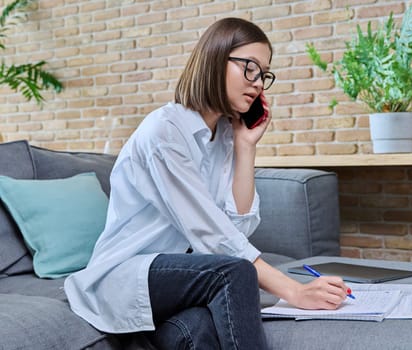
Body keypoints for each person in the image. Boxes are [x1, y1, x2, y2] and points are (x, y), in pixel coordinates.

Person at [64, 17, 349, 350]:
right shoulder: (164, 132)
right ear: (216, 60)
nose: (258, 83)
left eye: (264, 74)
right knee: (235, 272)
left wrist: (246, 146)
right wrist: (294, 291)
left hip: (183, 277)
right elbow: (214, 237)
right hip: (127, 274)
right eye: (250, 68)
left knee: (193, 332)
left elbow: (237, 228)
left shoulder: (226, 137)